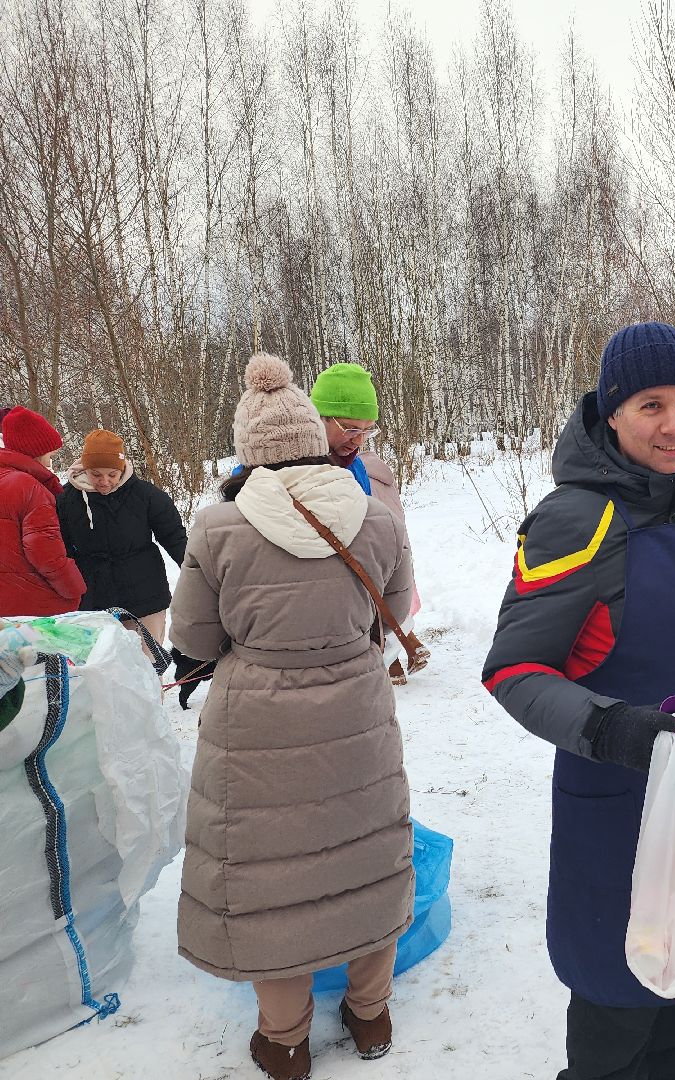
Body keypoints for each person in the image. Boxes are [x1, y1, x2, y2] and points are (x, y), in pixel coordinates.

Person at [482, 322, 675, 1080]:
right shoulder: (579, 517)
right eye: (650, 405)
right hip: (620, 822)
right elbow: (513, 671)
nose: (674, 426)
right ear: (613, 413)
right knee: (612, 1037)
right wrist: (613, 728)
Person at [169, 353, 414, 1080]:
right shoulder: (373, 516)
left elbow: (193, 639)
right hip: (357, 714)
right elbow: (393, 612)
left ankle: (283, 1041)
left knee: (270, 877)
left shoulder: (216, 528)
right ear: (313, 437)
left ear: (249, 451)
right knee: (365, 857)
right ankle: (371, 1016)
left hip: (256, 729)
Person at [310, 361, 418, 684]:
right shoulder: (280, 464)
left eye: (367, 430)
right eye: (350, 429)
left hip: (352, 618)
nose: (358, 440)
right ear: (319, 418)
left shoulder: (356, 468)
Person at [57, 429, 187, 654]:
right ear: (85, 469)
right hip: (93, 600)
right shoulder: (67, 499)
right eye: (96, 474)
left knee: (148, 666)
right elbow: (61, 550)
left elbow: (175, 539)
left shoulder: (146, 495)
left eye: (112, 474)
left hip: (145, 596)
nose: (104, 482)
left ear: (122, 469)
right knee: (102, 670)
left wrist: (197, 574)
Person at [0, 407, 86, 617]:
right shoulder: (30, 488)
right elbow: (45, 552)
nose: (49, 463)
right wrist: (75, 589)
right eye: (50, 455)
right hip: (33, 605)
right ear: (34, 452)